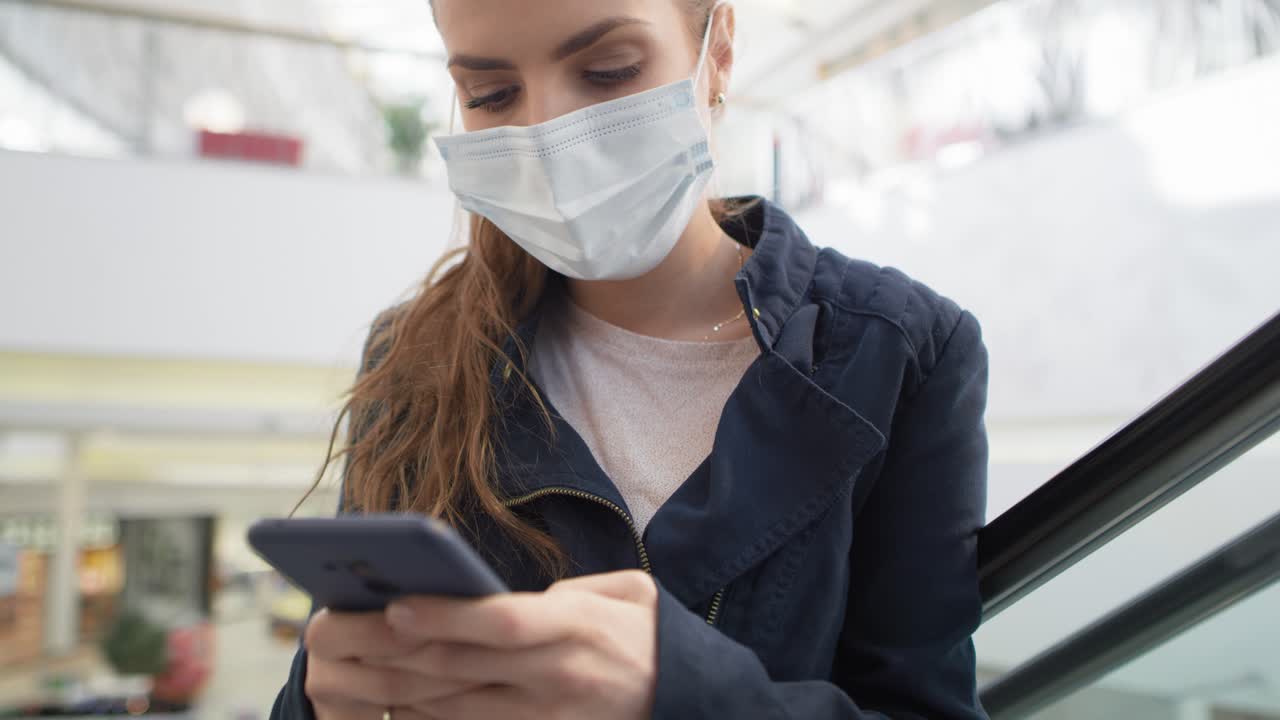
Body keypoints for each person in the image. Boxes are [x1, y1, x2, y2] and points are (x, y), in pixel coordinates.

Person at [271, 0, 989, 718]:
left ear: (719, 53)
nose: (545, 131)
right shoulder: (414, 354)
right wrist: (319, 698)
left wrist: (680, 690)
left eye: (607, 71)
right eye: (490, 94)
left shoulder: (898, 352)